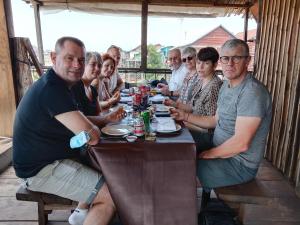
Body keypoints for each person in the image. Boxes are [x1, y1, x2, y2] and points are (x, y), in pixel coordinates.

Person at [13, 37, 116, 225]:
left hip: (51, 158)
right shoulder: (51, 89)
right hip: (39, 170)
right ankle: (88, 211)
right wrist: (93, 129)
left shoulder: (62, 84)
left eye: (81, 60)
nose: (77, 65)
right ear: (54, 57)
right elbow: (91, 137)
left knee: (110, 168)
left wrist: (106, 120)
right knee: (110, 196)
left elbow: (80, 121)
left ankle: (81, 214)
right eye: (69, 58)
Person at [171, 39, 272, 193]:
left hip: (238, 163)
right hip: (216, 142)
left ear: (247, 60)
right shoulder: (226, 85)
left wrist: (208, 154)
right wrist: (184, 116)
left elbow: (241, 143)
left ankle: (189, 213)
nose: (230, 63)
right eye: (225, 58)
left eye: (236, 58)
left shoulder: (252, 92)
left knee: (181, 171)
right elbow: (214, 121)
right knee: (176, 143)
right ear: (221, 61)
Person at [165, 47, 223, 151]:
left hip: (205, 136)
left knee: (170, 144)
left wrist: (184, 122)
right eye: (199, 62)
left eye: (206, 63)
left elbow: (210, 127)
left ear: (215, 65)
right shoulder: (201, 80)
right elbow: (192, 108)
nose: (200, 67)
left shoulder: (214, 86)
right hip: (193, 126)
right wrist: (175, 105)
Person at [71, 51, 125, 126]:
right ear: (83, 65)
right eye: (93, 64)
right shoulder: (75, 87)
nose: (97, 69)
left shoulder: (92, 90)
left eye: (99, 66)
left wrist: (112, 116)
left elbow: (99, 114)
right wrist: (108, 118)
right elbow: (78, 121)